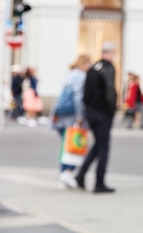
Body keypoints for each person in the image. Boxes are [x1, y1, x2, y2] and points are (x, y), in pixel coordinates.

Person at [75, 41, 118, 193]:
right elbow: (110, 92)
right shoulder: (107, 69)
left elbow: (85, 94)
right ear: (110, 52)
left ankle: (81, 174)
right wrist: (112, 110)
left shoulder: (93, 68)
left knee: (98, 145)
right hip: (102, 113)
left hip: (91, 112)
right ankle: (99, 182)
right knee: (104, 148)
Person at [50, 54, 91, 188]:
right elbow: (78, 98)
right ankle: (66, 172)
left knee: (65, 144)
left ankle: (64, 174)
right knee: (72, 145)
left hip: (60, 115)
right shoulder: (81, 76)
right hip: (71, 116)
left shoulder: (70, 75)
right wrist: (80, 117)